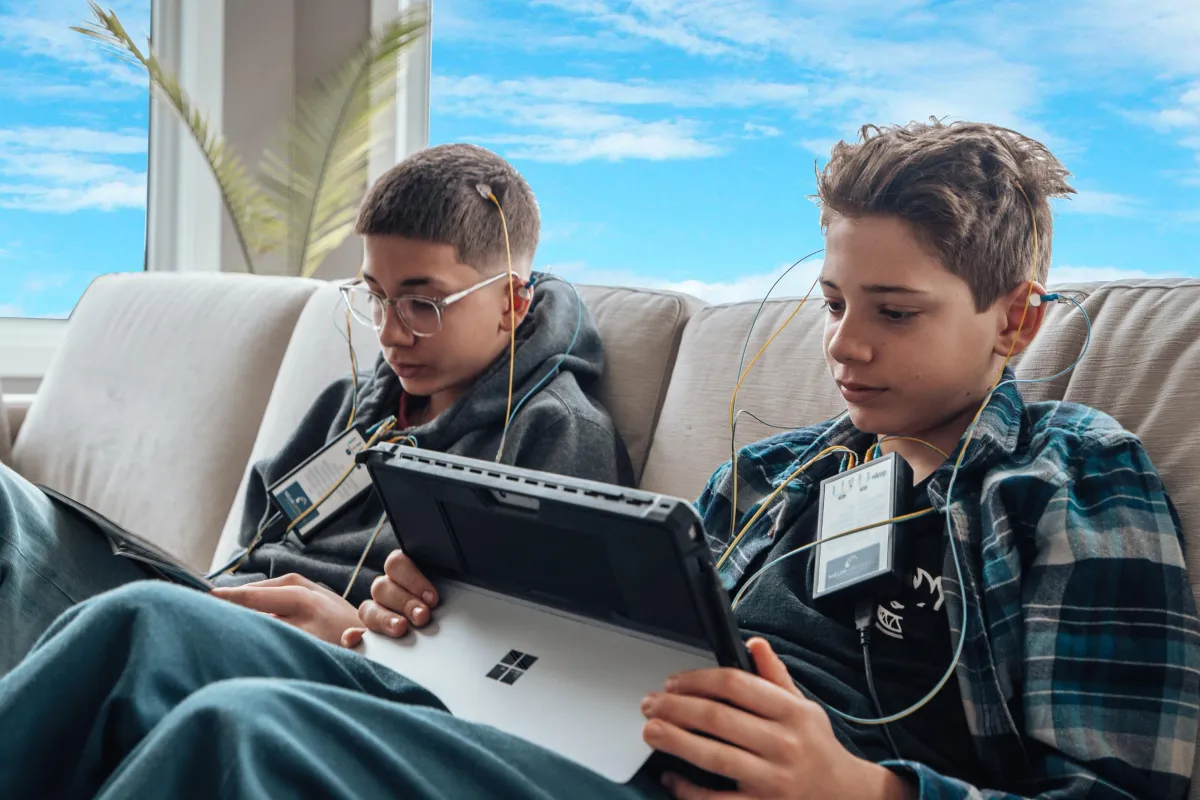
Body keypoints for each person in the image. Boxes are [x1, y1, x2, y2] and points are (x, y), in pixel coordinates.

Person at [2, 119, 1196, 800]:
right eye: (833, 300)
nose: (843, 344)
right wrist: (452, 617)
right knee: (151, 628)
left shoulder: (1065, 483)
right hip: (591, 738)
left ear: (1017, 320)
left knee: (243, 732)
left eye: (893, 310)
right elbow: (620, 649)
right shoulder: (773, 476)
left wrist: (868, 791)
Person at [0, 142, 634, 673]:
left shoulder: (555, 434)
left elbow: (534, 662)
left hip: (335, 667)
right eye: (377, 298)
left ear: (512, 303)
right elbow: (255, 540)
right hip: (218, 609)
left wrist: (360, 632)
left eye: (423, 304)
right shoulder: (354, 405)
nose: (389, 334)